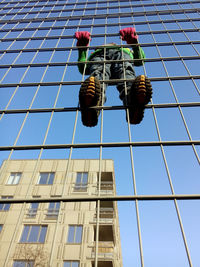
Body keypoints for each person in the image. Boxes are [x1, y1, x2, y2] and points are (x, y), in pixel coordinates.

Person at [75, 27, 152, 127]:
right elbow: (83, 68)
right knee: (124, 72)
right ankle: (131, 101)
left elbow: (140, 60)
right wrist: (82, 47)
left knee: (99, 74)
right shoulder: (98, 52)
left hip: (112, 54)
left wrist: (133, 41)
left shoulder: (124, 50)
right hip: (109, 55)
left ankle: (94, 105)